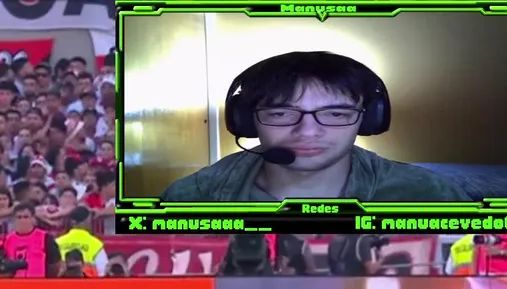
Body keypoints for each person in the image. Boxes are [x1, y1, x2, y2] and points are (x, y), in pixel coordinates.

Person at [161, 51, 470, 202]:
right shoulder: (190, 198)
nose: (307, 132)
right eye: (281, 113)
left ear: (369, 119)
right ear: (245, 119)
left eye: (335, 113)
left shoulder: (429, 195)